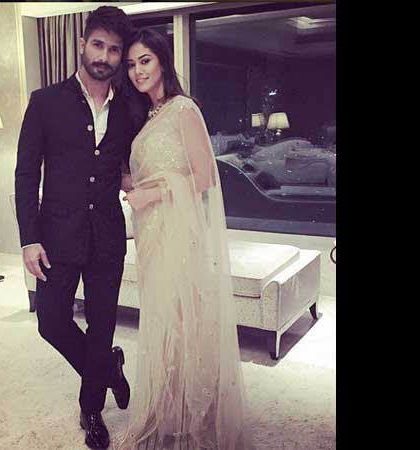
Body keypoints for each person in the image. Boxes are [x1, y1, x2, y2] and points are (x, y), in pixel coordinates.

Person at [116, 28, 249, 450]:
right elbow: (153, 172)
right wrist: (127, 183)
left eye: (145, 61)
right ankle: (165, 407)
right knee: (160, 316)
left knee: (181, 317)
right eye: (132, 64)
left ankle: (190, 415)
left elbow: (205, 176)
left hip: (177, 230)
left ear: (162, 61)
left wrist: (151, 194)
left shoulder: (182, 110)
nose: (138, 71)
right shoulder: (147, 116)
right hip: (151, 230)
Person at [14, 6, 138, 450]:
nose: (104, 56)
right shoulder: (44, 101)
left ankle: (91, 410)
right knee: (51, 322)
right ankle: (108, 369)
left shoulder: (129, 107)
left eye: (114, 50)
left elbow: (135, 161)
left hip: (107, 236)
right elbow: (26, 173)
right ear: (82, 44)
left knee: (102, 325)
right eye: (98, 45)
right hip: (54, 237)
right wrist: (29, 238)